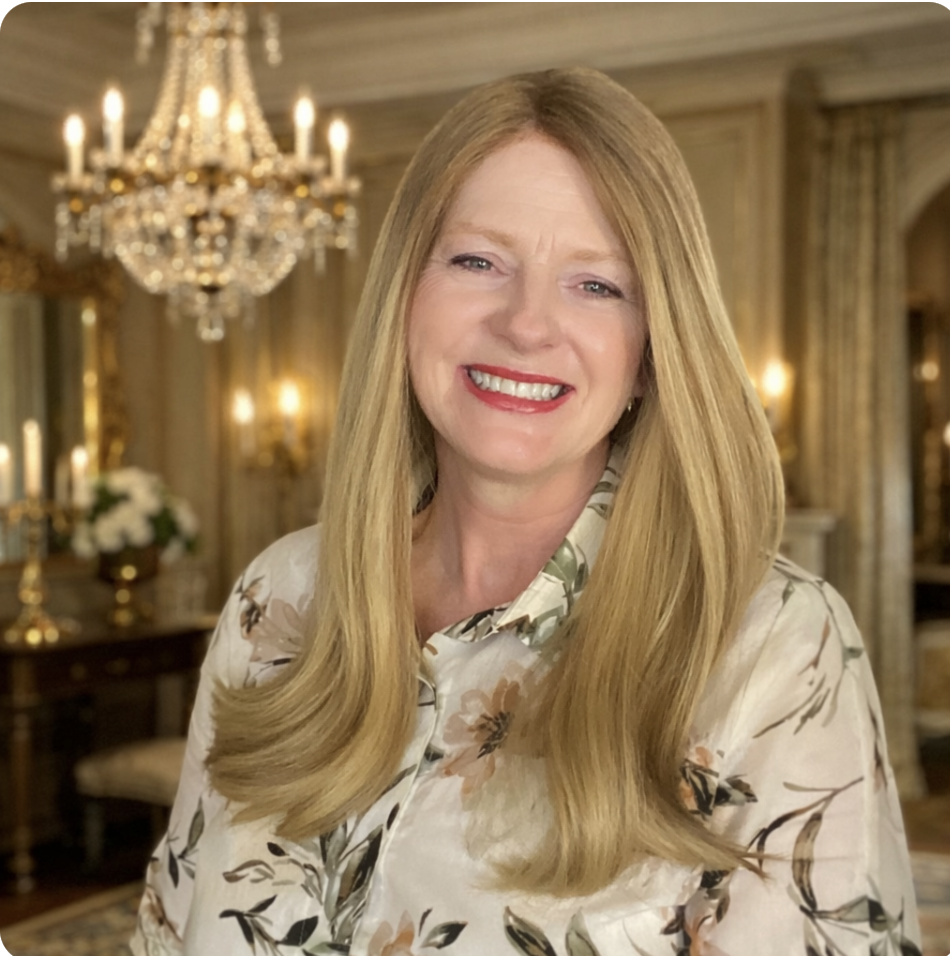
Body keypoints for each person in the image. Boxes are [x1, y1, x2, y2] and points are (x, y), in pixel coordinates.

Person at [131, 68, 921, 956]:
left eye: (598, 284)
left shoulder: (776, 648)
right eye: (477, 261)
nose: (526, 324)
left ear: (654, 347)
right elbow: (169, 927)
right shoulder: (275, 597)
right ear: (404, 298)